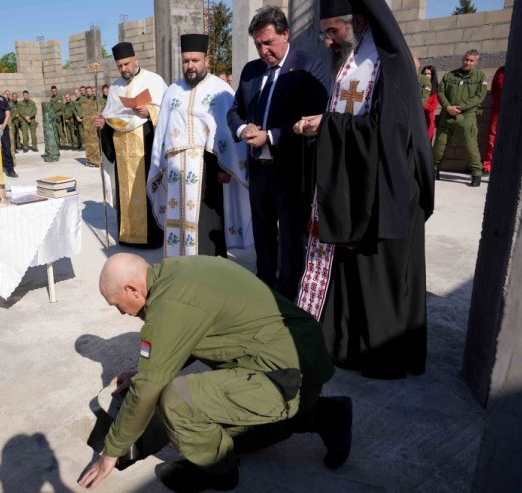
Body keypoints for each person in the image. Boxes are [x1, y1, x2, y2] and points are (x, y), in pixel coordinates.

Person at [78, 253, 352, 492]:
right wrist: (145, 371)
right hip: (293, 359)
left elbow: (148, 389)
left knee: (177, 402)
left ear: (132, 290)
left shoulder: (169, 305)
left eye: (116, 304)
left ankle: (219, 473)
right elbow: (182, 338)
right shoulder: (177, 273)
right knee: (221, 434)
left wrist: (110, 453)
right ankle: (327, 415)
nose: (121, 313)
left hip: (288, 378)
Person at [293, 0, 434, 379]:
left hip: (390, 189)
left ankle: (384, 355)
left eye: (332, 32)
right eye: (324, 33)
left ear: (356, 21)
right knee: (353, 272)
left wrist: (327, 126)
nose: (327, 41)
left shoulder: (387, 64)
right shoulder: (353, 62)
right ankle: (348, 346)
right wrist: (327, 125)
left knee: (379, 277)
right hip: (361, 186)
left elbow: (387, 135)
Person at [227, 6, 329, 300]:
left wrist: (270, 136)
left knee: (291, 237)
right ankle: (264, 284)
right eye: (258, 44)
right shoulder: (251, 71)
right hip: (259, 170)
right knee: (262, 232)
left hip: (291, 170)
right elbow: (234, 111)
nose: (263, 51)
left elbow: (313, 119)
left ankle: (287, 294)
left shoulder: (309, 68)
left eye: (268, 42)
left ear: (286, 34)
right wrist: (243, 129)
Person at [148, 33, 252, 258]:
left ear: (207, 59)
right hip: (175, 170)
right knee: (177, 221)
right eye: (186, 61)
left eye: (195, 60)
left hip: (208, 168)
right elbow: (162, 132)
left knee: (206, 224)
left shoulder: (220, 90)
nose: (190, 66)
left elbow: (226, 132)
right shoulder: (172, 91)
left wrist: (224, 168)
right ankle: (180, 268)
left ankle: (208, 272)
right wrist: (159, 165)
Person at [95, 42, 167, 247]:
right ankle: (128, 235)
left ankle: (152, 238)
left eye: (126, 64)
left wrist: (150, 111)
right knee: (125, 190)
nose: (124, 69)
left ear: (136, 60)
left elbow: (169, 111)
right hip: (122, 149)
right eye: (120, 66)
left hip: (146, 143)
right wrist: (103, 123)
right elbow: (110, 115)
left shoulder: (154, 80)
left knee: (147, 188)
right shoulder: (115, 87)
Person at [432, 49, 487, 186]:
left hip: (466, 116)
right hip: (447, 115)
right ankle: (434, 169)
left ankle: (476, 174)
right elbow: (440, 92)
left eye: (471, 61)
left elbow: (479, 96)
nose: (468, 62)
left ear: (476, 62)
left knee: (470, 146)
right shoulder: (450, 75)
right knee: (439, 145)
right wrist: (447, 107)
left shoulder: (480, 76)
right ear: (463, 59)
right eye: (466, 59)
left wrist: (460, 107)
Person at [481, 65, 504, 175]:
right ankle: (488, 166)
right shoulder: (501, 70)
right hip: (498, 110)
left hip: (517, 111)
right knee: (493, 136)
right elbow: (494, 90)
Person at [420, 65, 439, 142]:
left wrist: (422, 106)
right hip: (418, 116)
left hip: (428, 118)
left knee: (426, 142)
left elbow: (433, 106)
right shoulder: (418, 86)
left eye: (429, 74)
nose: (426, 75)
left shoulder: (435, 90)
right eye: (425, 73)